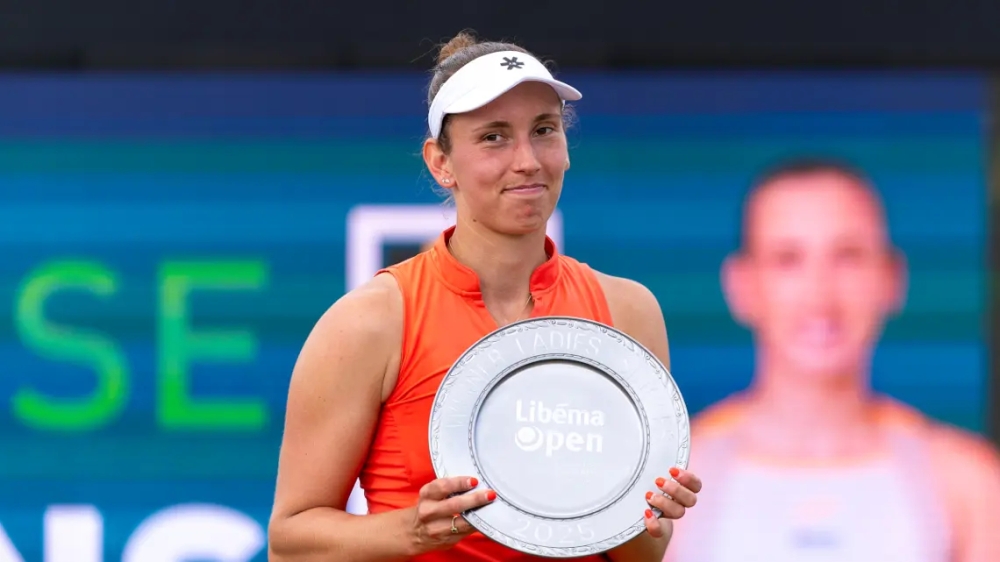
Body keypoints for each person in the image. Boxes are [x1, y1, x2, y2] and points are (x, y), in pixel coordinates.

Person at [267, 30, 702, 562]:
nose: (527, 160)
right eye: (494, 137)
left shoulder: (629, 312)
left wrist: (649, 515)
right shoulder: (373, 320)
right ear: (440, 163)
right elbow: (291, 544)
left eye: (543, 130)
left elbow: (639, 555)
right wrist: (413, 531)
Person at [665, 159, 1000, 562]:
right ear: (742, 285)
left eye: (848, 256)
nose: (819, 296)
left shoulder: (970, 488)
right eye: (788, 259)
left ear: (891, 277)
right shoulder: (671, 487)